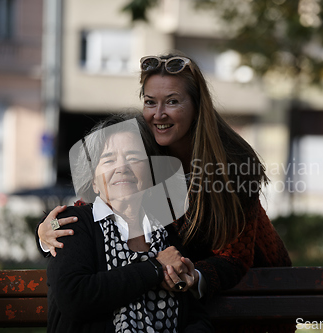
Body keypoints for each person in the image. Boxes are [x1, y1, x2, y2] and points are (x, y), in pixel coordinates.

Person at [38, 53, 292, 331]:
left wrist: (191, 274)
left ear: (196, 105)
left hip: (257, 288)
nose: (158, 114)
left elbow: (235, 257)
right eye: (150, 102)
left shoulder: (232, 162)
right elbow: (103, 203)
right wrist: (48, 229)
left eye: (172, 101)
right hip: (180, 288)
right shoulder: (149, 146)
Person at [47, 115, 213, 332]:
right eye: (108, 160)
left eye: (133, 157)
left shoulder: (167, 232)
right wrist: (155, 268)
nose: (122, 167)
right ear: (94, 182)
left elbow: (194, 315)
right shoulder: (73, 223)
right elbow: (74, 296)